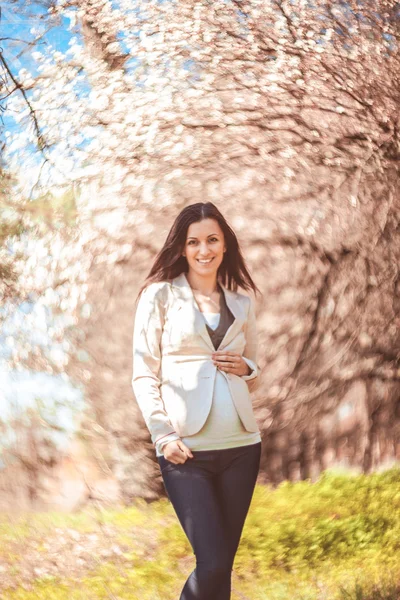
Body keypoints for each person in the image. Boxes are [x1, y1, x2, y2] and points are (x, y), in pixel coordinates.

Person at [132, 202, 262, 600]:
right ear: (182, 248)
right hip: (185, 451)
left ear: (225, 246)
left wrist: (248, 368)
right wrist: (162, 434)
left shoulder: (243, 302)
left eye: (211, 240)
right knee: (212, 563)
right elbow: (143, 372)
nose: (203, 250)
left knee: (221, 569)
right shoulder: (159, 296)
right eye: (193, 242)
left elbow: (253, 370)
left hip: (242, 445)